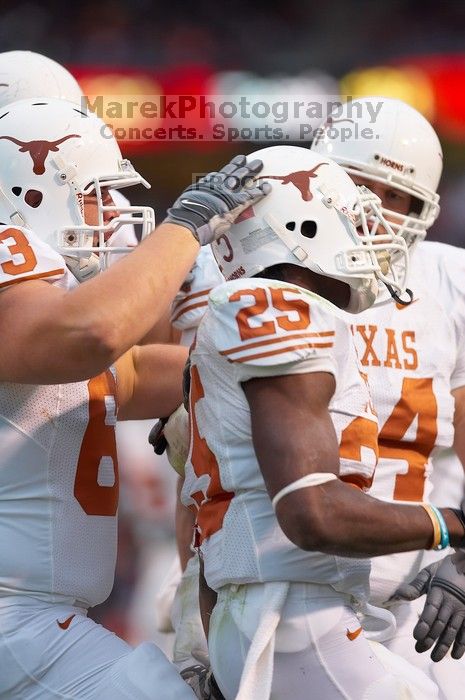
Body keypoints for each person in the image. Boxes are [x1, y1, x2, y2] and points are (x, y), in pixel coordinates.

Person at [0, 95, 269, 699]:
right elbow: (87, 336)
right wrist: (183, 230)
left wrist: (283, 369)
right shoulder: (12, 259)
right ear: (28, 189)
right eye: (96, 192)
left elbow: (129, 368)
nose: (115, 214)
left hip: (36, 621)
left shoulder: (48, 303)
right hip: (17, 621)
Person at [180, 144, 465, 700]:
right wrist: (454, 523)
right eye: (348, 215)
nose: (364, 232)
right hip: (296, 614)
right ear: (299, 224)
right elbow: (311, 511)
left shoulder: (267, 312)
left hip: (290, 611)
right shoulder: (274, 307)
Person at [312, 97, 465, 690]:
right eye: (355, 186)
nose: (372, 212)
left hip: (420, 594)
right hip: (294, 584)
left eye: (394, 196)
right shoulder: (251, 272)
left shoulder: (446, 283)